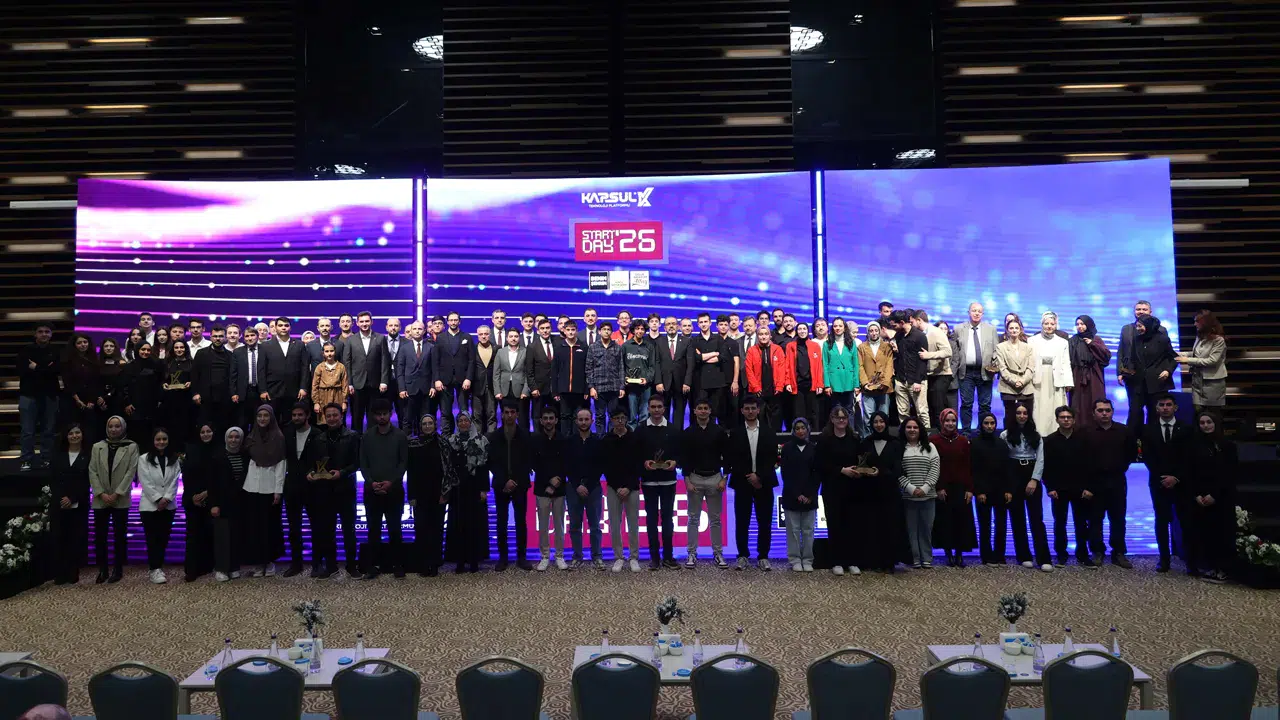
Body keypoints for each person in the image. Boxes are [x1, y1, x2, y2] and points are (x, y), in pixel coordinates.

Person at [1141, 394, 1195, 573]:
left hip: (1182, 482)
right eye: (1162, 405)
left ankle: (1191, 561)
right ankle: (1164, 559)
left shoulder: (1187, 429)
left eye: (1168, 405)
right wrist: (1163, 478)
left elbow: (1189, 457)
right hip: (1158, 482)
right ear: (1156, 408)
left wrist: (1176, 477)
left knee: (1186, 522)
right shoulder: (1148, 430)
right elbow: (1147, 457)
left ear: (1175, 408)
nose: (1165, 408)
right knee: (1161, 521)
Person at [1085, 398, 1138, 568]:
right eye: (1100, 410)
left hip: (1117, 481)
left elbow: (1131, 454)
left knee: (1118, 518)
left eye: (1107, 410)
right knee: (1095, 519)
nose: (1104, 413)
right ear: (1094, 413)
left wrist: (1120, 467)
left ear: (1112, 412)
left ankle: (1119, 552)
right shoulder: (1085, 433)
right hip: (1094, 482)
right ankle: (1097, 551)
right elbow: (1081, 458)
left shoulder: (1124, 431)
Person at [1000, 404, 1052, 572]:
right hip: (1013, 473)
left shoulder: (1036, 435)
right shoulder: (1005, 435)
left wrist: (1035, 479)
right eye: (1018, 413)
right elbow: (1003, 461)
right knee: (1017, 518)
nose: (1022, 416)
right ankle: (1024, 556)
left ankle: (1044, 558)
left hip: (1031, 472)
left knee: (1036, 518)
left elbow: (1041, 459)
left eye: (1024, 413)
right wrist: (1007, 484)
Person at [727, 395, 778, 571]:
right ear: (742, 411)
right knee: (742, 521)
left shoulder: (769, 432)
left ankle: (763, 556)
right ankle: (742, 555)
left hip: (764, 483)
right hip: (742, 482)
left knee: (765, 522)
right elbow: (733, 458)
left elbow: (772, 457)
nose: (750, 411)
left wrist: (759, 477)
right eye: (747, 408)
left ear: (758, 410)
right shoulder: (735, 433)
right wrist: (750, 477)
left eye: (753, 408)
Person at [359, 399, 408, 579]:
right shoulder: (367, 436)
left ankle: (398, 565)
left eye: (384, 414)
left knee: (395, 529)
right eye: (378, 414)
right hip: (372, 491)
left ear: (391, 414)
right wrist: (371, 482)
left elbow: (403, 463)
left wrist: (391, 482)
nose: (381, 417)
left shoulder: (400, 436)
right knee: (373, 530)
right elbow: (363, 463)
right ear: (373, 416)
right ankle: (373, 566)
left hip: (394, 491)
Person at [1186, 410, 1236, 584]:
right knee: (1206, 534)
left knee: (1223, 534)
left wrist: (1215, 495)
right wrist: (1196, 495)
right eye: (1202, 423)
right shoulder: (1193, 446)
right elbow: (1190, 472)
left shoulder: (1227, 445)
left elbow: (1230, 473)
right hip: (1201, 498)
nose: (1206, 426)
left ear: (1215, 423)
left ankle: (1224, 569)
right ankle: (1211, 567)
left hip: (1221, 498)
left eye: (1209, 422)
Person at [1042, 407, 1094, 568]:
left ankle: (1083, 554)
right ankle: (1061, 554)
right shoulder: (1049, 440)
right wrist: (1049, 487)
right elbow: (1046, 466)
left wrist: (1089, 487)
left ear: (1074, 420)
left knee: (1082, 523)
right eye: (1062, 417)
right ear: (1057, 419)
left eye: (1069, 417)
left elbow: (1090, 465)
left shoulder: (1084, 440)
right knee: (1060, 523)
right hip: (1058, 490)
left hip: (1080, 489)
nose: (1066, 420)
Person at [88, 415, 137, 584]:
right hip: (101, 498)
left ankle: (118, 569)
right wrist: (101, 493)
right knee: (100, 536)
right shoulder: (97, 447)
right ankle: (103, 569)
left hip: (120, 498)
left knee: (119, 535)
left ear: (123, 428)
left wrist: (117, 493)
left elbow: (131, 471)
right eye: (111, 426)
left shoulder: (131, 446)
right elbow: (92, 471)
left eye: (117, 426)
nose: (114, 429)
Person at [315, 403, 361, 578]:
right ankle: (331, 566)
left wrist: (342, 473)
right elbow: (315, 462)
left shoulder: (352, 436)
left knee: (349, 530)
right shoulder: (319, 438)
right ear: (324, 417)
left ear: (341, 416)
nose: (332, 418)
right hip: (325, 490)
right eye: (329, 416)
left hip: (346, 489)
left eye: (335, 415)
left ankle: (351, 565)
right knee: (327, 531)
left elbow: (357, 463)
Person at [681, 399, 728, 568]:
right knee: (693, 519)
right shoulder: (688, 433)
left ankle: (718, 553)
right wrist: (687, 480)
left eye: (705, 408)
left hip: (715, 478)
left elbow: (727, 456)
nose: (702, 411)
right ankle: (691, 553)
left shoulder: (719, 431)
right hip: (695, 478)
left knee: (715, 519)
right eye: (699, 408)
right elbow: (685, 458)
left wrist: (724, 478)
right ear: (694, 411)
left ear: (710, 411)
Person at [241, 404, 286, 578]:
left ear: (271, 418)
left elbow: (281, 465)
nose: (262, 419)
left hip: (270, 490)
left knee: (270, 528)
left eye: (266, 416)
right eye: (259, 416)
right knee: (255, 528)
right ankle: (259, 563)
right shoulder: (250, 437)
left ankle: (270, 562)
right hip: (252, 488)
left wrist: (278, 490)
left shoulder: (278, 437)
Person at [815, 405, 860, 575]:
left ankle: (852, 561)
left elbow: (860, 460)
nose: (841, 420)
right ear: (832, 419)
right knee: (834, 525)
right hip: (832, 489)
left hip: (852, 488)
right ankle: (837, 562)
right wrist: (841, 470)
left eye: (844, 418)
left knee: (851, 525)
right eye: (838, 417)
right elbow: (820, 464)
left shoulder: (854, 438)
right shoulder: (824, 439)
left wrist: (858, 470)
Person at [489, 400, 533, 570]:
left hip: (520, 484)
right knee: (501, 522)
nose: (509, 415)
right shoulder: (494, 436)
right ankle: (503, 558)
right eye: (506, 412)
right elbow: (492, 462)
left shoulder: (525, 436)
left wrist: (515, 480)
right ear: (502, 414)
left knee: (521, 522)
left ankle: (522, 557)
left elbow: (527, 461)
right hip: (501, 485)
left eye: (512, 412)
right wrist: (504, 481)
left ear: (517, 414)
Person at [443, 411, 488, 573]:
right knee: (458, 525)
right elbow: (447, 466)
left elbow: (484, 467)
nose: (463, 423)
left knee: (474, 525)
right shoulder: (451, 441)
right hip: (457, 489)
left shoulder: (480, 440)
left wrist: (484, 489)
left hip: (474, 488)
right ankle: (460, 561)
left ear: (470, 422)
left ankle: (474, 560)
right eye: (460, 421)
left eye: (465, 420)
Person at [930, 409, 976, 567]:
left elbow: (968, 466)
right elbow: (933, 466)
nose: (950, 424)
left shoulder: (963, 441)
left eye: (953, 421)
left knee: (961, 521)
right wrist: (938, 487)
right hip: (943, 489)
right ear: (942, 422)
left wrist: (970, 489)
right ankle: (948, 553)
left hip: (961, 488)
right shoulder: (934, 441)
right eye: (947, 421)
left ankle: (959, 554)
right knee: (945, 522)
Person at [640, 395, 681, 569]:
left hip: (668, 482)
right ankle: (654, 558)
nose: (656, 410)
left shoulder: (673, 430)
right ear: (648, 408)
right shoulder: (641, 429)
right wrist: (643, 462)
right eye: (653, 407)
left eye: (659, 407)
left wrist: (675, 462)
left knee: (667, 521)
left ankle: (668, 557)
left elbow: (680, 452)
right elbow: (635, 454)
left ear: (664, 409)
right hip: (648, 482)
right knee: (651, 521)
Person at [601, 407, 643, 572]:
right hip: (613, 488)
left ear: (626, 419)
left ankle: (634, 557)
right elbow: (605, 466)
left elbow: (638, 465)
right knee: (614, 523)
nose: (619, 421)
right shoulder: (606, 440)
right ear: (611, 420)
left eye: (622, 418)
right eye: (616, 418)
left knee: (633, 524)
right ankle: (618, 557)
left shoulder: (635, 438)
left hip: (632, 488)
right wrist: (617, 486)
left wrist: (629, 486)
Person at [282, 403, 322, 577]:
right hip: (292, 486)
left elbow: (322, 459)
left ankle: (316, 564)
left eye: (299, 415)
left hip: (312, 487)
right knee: (293, 529)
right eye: (294, 415)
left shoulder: (318, 434)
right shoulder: (287, 434)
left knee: (316, 527)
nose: (296, 418)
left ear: (307, 416)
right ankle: (296, 564)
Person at [138, 427, 181, 584]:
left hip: (168, 506)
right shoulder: (143, 459)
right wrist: (157, 499)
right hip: (149, 506)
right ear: (153, 441)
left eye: (164, 439)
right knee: (152, 538)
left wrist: (167, 499)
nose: (161, 442)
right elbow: (145, 481)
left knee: (163, 538)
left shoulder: (174, 459)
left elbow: (175, 481)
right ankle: (154, 569)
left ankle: (159, 566)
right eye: (158, 439)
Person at [1117, 300, 1168, 428]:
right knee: (1134, 411)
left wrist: (1167, 370)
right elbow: (1121, 351)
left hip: (1154, 377)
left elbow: (1167, 354)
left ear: (1150, 312)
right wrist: (1120, 371)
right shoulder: (1126, 329)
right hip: (1132, 376)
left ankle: (1153, 438)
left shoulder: (1161, 330)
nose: (1141, 311)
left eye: (1144, 309)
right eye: (1138, 309)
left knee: (1154, 411)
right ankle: (1134, 438)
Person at [971, 412, 1014, 565]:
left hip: (1000, 490)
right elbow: (974, 470)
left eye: (992, 423)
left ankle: (999, 555)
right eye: (986, 423)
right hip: (983, 491)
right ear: (981, 425)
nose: (989, 426)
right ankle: (986, 555)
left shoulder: (1002, 443)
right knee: (985, 525)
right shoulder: (975, 443)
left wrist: (1008, 490)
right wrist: (979, 491)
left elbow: (1007, 468)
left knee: (1001, 524)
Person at [49, 424, 90, 585]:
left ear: (82, 435)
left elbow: (87, 481)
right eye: (71, 433)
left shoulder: (88, 456)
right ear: (66, 436)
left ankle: (73, 571)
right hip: (59, 503)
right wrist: (62, 497)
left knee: (75, 538)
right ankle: (60, 573)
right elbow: (53, 479)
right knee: (60, 537)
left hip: (79, 503)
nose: (74, 436)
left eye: (77, 432)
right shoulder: (58, 455)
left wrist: (72, 498)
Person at [563, 408, 604, 569]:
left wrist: (587, 485)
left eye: (586, 419)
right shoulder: (569, 441)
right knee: (574, 525)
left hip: (593, 488)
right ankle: (577, 556)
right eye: (580, 419)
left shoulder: (598, 442)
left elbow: (599, 466)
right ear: (576, 421)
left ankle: (597, 556)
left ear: (592, 421)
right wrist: (577, 485)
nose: (583, 422)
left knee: (595, 526)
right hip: (573, 488)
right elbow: (567, 465)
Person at [18, 323, 60, 470]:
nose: (44, 334)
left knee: (48, 430)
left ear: (51, 334)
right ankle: (26, 459)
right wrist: (45, 369)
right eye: (40, 331)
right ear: (35, 334)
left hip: (50, 395)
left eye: (47, 332)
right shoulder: (25, 351)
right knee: (27, 431)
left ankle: (46, 458)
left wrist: (36, 368)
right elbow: (21, 370)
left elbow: (56, 371)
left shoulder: (56, 351)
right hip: (28, 395)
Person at [899, 417, 939, 568]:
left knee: (926, 529)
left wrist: (925, 488)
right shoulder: (899, 448)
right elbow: (898, 471)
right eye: (909, 427)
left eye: (915, 427)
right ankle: (915, 558)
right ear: (904, 429)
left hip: (928, 496)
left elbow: (935, 468)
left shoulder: (930, 447)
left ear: (920, 429)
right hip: (908, 497)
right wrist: (910, 488)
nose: (912, 430)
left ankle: (927, 558)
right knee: (911, 530)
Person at [531, 406, 568, 570]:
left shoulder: (563, 439)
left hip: (560, 488)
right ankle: (545, 556)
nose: (548, 421)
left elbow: (566, 463)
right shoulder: (535, 440)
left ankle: (559, 556)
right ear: (541, 421)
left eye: (551, 418)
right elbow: (535, 463)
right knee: (543, 526)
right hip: (542, 488)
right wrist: (549, 481)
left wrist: (556, 481)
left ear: (556, 420)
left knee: (559, 525)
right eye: (545, 418)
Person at [780, 417, 818, 572]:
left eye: (803, 428)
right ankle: (795, 559)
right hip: (791, 495)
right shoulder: (787, 448)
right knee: (793, 530)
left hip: (810, 496)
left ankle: (808, 559)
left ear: (808, 430)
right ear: (793, 431)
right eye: (797, 428)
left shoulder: (814, 448)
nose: (800, 431)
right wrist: (797, 494)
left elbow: (817, 473)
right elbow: (785, 473)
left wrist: (809, 494)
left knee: (808, 530)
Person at [209, 427, 247, 582]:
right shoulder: (218, 457)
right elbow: (212, 483)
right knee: (222, 537)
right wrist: (214, 504)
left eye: (237, 437)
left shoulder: (245, 456)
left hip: (240, 502)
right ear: (226, 438)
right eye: (230, 437)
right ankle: (221, 568)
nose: (233, 440)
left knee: (236, 535)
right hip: (222, 502)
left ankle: (234, 567)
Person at [181, 423, 218, 582]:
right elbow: (187, 477)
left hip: (212, 498)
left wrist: (207, 493)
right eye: (202, 432)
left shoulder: (219, 451)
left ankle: (207, 565)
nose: (205, 434)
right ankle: (192, 569)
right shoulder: (192, 451)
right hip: (193, 500)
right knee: (193, 535)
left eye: (208, 431)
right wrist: (193, 497)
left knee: (208, 534)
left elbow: (220, 477)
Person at [344, 311, 391, 433]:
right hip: (357, 384)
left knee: (374, 416)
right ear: (357, 323)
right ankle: (356, 441)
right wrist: (349, 383)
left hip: (375, 384)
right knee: (356, 416)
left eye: (367, 321)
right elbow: (347, 363)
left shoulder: (380, 338)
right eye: (362, 321)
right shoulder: (350, 340)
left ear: (371, 322)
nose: (364, 324)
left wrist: (384, 381)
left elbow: (385, 361)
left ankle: (372, 440)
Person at [259, 317, 310, 427]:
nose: (283, 328)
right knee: (273, 423)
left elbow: (304, 368)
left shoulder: (299, 344)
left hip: (294, 391)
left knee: (292, 423)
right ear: (275, 327)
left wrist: (303, 387)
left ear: (290, 328)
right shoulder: (265, 346)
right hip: (272, 391)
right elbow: (261, 369)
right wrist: (263, 390)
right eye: (280, 325)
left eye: (286, 325)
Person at [954, 303, 997, 433]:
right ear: (968, 312)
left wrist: (994, 366)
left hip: (985, 372)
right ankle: (966, 433)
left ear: (982, 314)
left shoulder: (991, 329)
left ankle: (983, 432)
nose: (976, 313)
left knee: (985, 405)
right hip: (966, 372)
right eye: (974, 310)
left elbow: (996, 350)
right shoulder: (958, 328)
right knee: (966, 404)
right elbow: (955, 350)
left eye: (979, 311)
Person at [1027, 312, 1072, 435]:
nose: (1049, 326)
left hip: (1056, 378)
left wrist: (1068, 382)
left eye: (1052, 324)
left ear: (1056, 325)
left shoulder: (1063, 342)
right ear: (1042, 324)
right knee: (1039, 406)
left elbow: (1066, 362)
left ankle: (1056, 433)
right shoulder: (1032, 340)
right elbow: (1029, 361)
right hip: (1038, 378)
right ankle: (1039, 433)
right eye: (1046, 323)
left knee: (1056, 405)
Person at [1176, 310, 1228, 413]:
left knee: (1212, 414)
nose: (1194, 324)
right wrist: (1180, 354)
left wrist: (1187, 360)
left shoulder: (1219, 340)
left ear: (1205, 322)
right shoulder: (1200, 336)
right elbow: (1197, 354)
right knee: (1198, 413)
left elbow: (1212, 360)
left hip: (1212, 383)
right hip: (1197, 381)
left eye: (1197, 321)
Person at [685, 313, 729, 427]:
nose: (703, 324)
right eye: (701, 322)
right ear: (698, 324)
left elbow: (722, 357)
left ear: (710, 323)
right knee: (700, 412)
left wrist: (703, 357)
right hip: (700, 382)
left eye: (705, 322)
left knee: (715, 412)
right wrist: (714, 353)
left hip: (717, 382)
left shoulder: (719, 339)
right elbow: (696, 358)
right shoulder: (694, 340)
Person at [1068, 315, 1111, 430]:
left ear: (1088, 325)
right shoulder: (1073, 340)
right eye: (1077, 324)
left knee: (1095, 401)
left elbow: (1106, 357)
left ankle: (1097, 431)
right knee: (1078, 404)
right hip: (1077, 377)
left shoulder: (1096, 339)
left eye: (1082, 324)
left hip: (1094, 376)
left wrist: (1092, 344)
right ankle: (1078, 431)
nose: (1079, 326)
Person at [744, 324, 790, 431]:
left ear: (770, 336)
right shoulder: (751, 350)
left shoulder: (778, 349)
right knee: (760, 419)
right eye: (760, 334)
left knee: (776, 420)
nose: (763, 336)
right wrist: (755, 387)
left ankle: (776, 439)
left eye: (766, 334)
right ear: (757, 336)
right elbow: (749, 370)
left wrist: (779, 386)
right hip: (758, 391)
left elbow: (782, 369)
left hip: (775, 391)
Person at [191, 325, 235, 434]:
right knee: (204, 428)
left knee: (222, 427)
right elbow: (194, 375)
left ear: (225, 337)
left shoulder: (230, 355)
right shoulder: (201, 353)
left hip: (224, 398)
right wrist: (195, 393)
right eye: (215, 336)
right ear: (210, 337)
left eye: (220, 336)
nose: (218, 338)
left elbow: (232, 377)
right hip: (205, 398)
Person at [889, 311, 929, 430]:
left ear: (902, 322)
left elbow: (923, 360)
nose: (893, 328)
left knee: (921, 412)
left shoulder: (920, 336)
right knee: (902, 413)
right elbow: (899, 356)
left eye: (895, 325)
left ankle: (926, 437)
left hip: (916, 380)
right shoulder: (898, 336)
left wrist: (918, 381)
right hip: (901, 380)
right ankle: (904, 437)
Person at [61, 333, 102, 447]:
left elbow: (96, 381)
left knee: (90, 430)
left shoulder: (94, 359)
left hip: (90, 401)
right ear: (74, 345)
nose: (83, 345)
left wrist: (92, 400)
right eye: (79, 343)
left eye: (85, 342)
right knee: (73, 428)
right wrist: (77, 399)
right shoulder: (68, 360)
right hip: (72, 400)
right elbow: (67, 382)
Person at [914, 311, 952, 429]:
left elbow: (948, 352)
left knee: (938, 408)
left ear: (919, 320)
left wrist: (929, 355)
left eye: (912, 321)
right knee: (928, 408)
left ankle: (942, 434)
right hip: (927, 375)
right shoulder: (918, 334)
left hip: (941, 374)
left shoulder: (936, 332)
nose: (911, 324)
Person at [397, 321, 436, 434]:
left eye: (420, 329)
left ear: (424, 331)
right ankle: (407, 442)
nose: (417, 331)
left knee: (425, 420)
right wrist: (402, 388)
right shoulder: (404, 348)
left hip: (426, 389)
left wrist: (433, 386)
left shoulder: (431, 347)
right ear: (410, 331)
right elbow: (400, 370)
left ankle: (425, 442)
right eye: (414, 329)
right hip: (409, 389)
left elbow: (434, 369)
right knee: (407, 419)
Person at [995, 317, 1036, 421]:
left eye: (1016, 328)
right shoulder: (1001, 347)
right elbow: (1002, 368)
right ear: (1007, 330)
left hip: (1026, 386)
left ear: (1020, 330)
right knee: (1010, 417)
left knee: (1027, 417)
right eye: (1011, 328)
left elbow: (1031, 367)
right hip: (1008, 387)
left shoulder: (1028, 347)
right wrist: (1014, 381)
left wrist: (1023, 381)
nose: (1014, 330)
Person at [552, 319, 590, 434]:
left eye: (573, 330)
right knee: (564, 416)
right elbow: (554, 371)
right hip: (563, 390)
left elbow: (588, 370)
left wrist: (586, 389)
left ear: (576, 331)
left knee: (577, 417)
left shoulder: (584, 347)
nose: (570, 332)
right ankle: (565, 440)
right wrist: (555, 391)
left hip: (579, 390)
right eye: (568, 330)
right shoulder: (559, 348)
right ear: (564, 331)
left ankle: (576, 439)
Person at [586, 320, 624, 432]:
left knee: (613, 416)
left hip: (614, 387)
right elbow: (589, 369)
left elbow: (621, 368)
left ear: (611, 332)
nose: (606, 332)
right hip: (599, 388)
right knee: (600, 416)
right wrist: (591, 387)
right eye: (604, 329)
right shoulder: (593, 347)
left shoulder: (617, 347)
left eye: (608, 330)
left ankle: (611, 438)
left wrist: (622, 387)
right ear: (599, 332)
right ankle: (600, 439)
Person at [857, 321, 894, 435]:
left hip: (883, 387)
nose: (874, 333)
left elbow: (889, 365)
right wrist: (864, 383)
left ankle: (884, 439)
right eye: (871, 331)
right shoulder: (862, 347)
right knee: (868, 417)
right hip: (868, 387)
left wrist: (885, 382)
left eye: (876, 330)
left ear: (879, 331)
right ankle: (868, 440)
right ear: (867, 332)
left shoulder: (887, 346)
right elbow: (860, 366)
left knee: (884, 417)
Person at [788, 323, 825, 432]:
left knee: (813, 413)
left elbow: (819, 366)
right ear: (796, 331)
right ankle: (799, 436)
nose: (802, 331)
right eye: (799, 329)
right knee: (799, 413)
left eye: (804, 329)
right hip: (797, 385)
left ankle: (814, 437)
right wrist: (788, 382)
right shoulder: (791, 346)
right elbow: (788, 365)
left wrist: (820, 384)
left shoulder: (815, 345)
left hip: (811, 385)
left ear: (808, 331)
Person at [622, 320, 659, 428]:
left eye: (642, 329)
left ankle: (643, 435)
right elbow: (621, 365)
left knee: (644, 415)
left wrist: (647, 379)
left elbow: (652, 366)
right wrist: (624, 379)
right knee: (632, 416)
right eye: (637, 328)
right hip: (631, 386)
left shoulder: (649, 346)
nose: (640, 331)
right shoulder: (626, 346)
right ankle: (632, 436)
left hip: (645, 386)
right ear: (633, 330)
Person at [656, 317, 691, 428]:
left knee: (679, 412)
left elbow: (690, 364)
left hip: (681, 384)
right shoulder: (659, 342)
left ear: (678, 326)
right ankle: (664, 434)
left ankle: (677, 435)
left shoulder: (686, 341)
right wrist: (658, 382)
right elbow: (657, 363)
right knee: (663, 412)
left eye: (673, 323)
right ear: (664, 328)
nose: (671, 326)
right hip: (664, 383)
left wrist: (687, 382)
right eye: (668, 324)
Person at [823, 317, 859, 423]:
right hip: (834, 382)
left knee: (849, 411)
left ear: (844, 328)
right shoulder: (827, 344)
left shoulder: (851, 343)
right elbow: (825, 365)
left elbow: (855, 365)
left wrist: (856, 385)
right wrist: (827, 385)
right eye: (835, 326)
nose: (837, 328)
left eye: (840, 326)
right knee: (835, 412)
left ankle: (850, 432)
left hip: (848, 381)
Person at [493, 328, 529, 429]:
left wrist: (525, 391)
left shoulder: (525, 351)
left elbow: (528, 373)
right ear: (507, 338)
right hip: (504, 391)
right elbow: (496, 373)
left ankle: (523, 438)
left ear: (519, 338)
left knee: (522, 419)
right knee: (506, 418)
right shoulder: (500, 352)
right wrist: (497, 391)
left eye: (516, 336)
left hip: (520, 391)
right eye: (511, 336)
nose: (513, 339)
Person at [161, 339, 194, 448]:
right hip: (170, 401)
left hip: (186, 401)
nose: (179, 350)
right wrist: (164, 384)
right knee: (171, 427)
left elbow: (197, 379)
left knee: (186, 427)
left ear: (185, 349)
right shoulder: (167, 363)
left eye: (181, 347)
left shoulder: (192, 362)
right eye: (176, 347)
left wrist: (191, 383)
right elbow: (162, 379)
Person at [229, 326, 263, 430]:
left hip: (260, 391)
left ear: (257, 336)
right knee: (242, 422)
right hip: (243, 392)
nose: (250, 338)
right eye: (247, 336)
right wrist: (233, 392)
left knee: (259, 422)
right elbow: (233, 374)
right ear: (244, 338)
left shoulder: (264, 350)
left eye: (252, 335)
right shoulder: (237, 352)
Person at [310, 340, 349, 426]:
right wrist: (316, 402)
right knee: (324, 421)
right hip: (323, 397)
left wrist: (344, 401)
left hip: (337, 396)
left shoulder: (341, 367)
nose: (329, 354)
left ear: (335, 352)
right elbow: (315, 386)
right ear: (323, 353)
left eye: (331, 351)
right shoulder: (319, 367)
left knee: (337, 420)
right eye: (327, 351)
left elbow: (345, 386)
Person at [525, 317, 558, 421]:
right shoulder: (532, 347)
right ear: (538, 331)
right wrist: (533, 388)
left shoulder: (558, 343)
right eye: (542, 328)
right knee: (537, 417)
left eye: (547, 328)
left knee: (556, 416)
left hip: (555, 389)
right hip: (539, 389)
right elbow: (529, 370)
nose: (545, 330)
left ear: (551, 329)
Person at [471, 325, 498, 433]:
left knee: (492, 415)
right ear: (477, 335)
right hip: (477, 387)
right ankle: (477, 440)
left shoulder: (497, 348)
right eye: (481, 334)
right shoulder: (472, 349)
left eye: (486, 334)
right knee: (476, 416)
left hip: (492, 386)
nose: (483, 336)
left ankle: (491, 439)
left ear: (490, 335)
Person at [98, 337, 127, 421]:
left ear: (115, 348)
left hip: (116, 398)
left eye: (111, 346)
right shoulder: (97, 363)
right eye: (106, 346)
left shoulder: (122, 363)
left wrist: (107, 396)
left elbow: (121, 384)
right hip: (100, 399)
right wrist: (100, 399)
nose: (108, 348)